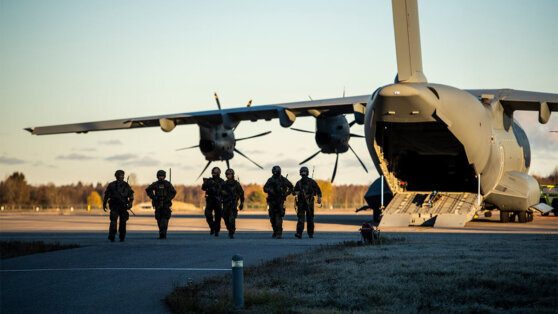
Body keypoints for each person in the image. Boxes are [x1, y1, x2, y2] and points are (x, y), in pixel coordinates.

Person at [103, 170, 134, 242]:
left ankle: (122, 236)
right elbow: (106, 195)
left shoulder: (126, 185)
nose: (121, 177)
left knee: (123, 222)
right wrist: (104, 203)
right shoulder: (111, 185)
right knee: (113, 221)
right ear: (116, 176)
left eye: (122, 175)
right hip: (114, 206)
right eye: (120, 175)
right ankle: (112, 235)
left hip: (123, 206)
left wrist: (130, 202)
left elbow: (131, 194)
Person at [263, 165, 293, 239]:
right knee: (272, 218)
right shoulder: (270, 180)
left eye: (276, 171)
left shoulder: (283, 180)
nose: (275, 172)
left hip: (280, 201)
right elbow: (265, 188)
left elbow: (291, 187)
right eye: (274, 171)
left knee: (279, 217)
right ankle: (275, 231)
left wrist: (286, 193)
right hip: (272, 201)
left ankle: (279, 233)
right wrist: (269, 190)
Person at [145, 170, 176, 239]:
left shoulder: (167, 184)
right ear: (157, 176)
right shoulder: (155, 184)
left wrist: (168, 198)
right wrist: (153, 197)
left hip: (166, 204)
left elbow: (173, 192)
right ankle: (161, 233)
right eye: (159, 176)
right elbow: (148, 190)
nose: (161, 177)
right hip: (158, 204)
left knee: (165, 220)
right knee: (159, 219)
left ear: (164, 176)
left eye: (162, 176)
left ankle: (163, 233)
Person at [293, 166, 321, 239]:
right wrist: (297, 192)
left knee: (310, 219)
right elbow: (294, 192)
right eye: (302, 172)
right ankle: (299, 233)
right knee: (300, 219)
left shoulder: (311, 182)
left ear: (307, 172)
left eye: (304, 172)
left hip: (310, 202)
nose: (303, 173)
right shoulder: (298, 183)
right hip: (301, 203)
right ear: (300, 173)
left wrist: (319, 198)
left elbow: (318, 190)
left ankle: (310, 233)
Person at [201, 167, 225, 236]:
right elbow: (203, 188)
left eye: (215, 173)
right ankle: (212, 227)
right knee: (208, 214)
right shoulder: (209, 180)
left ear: (218, 173)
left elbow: (224, 191)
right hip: (210, 200)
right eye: (213, 173)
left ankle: (216, 230)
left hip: (218, 200)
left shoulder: (222, 181)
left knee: (218, 216)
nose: (213, 174)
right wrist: (206, 183)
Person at [221, 168, 244, 239]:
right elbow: (219, 192)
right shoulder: (224, 184)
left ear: (232, 175)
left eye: (230, 174)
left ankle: (231, 232)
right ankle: (229, 228)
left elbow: (241, 193)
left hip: (233, 204)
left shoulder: (236, 184)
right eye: (227, 174)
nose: (228, 176)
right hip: (225, 203)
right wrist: (222, 193)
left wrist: (241, 203)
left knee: (231, 218)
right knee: (225, 217)